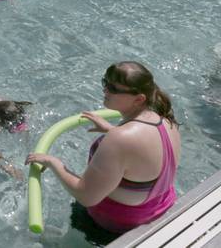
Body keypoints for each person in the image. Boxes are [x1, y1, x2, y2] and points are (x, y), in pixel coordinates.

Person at [25, 62, 180, 242]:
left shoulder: (120, 139)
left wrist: (54, 163)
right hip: (158, 211)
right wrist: (112, 130)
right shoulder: (166, 121)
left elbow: (86, 196)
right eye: (105, 83)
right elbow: (143, 153)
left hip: (112, 229)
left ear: (139, 99)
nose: (105, 90)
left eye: (113, 88)